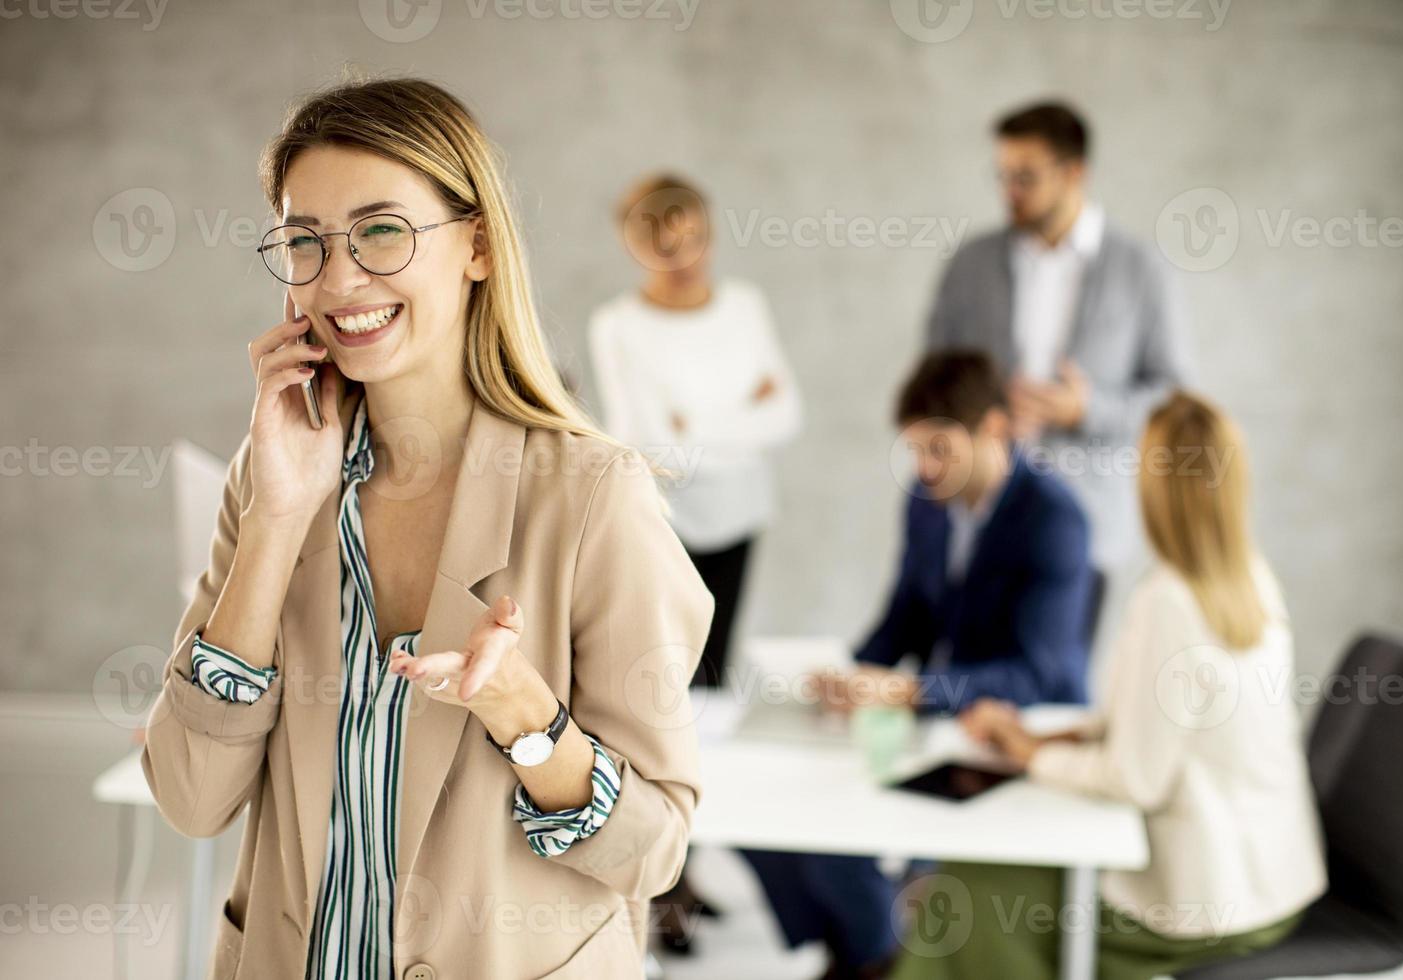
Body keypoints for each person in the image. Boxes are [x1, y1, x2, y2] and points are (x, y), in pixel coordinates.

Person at [141, 77, 714, 980]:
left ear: (478, 245)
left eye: (381, 231)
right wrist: (276, 522)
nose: (338, 280)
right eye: (304, 242)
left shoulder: (594, 494)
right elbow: (189, 798)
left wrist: (525, 715)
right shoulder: (272, 476)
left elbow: (653, 853)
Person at [891, 391, 1327, 980]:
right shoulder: (1247, 576)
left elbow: (1135, 781)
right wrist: (1050, 740)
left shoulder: (1168, 601)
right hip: (1273, 883)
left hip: (1204, 905)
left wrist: (1030, 758)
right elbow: (1174, 726)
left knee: (975, 887)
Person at [741, 349, 1094, 980]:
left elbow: (1035, 673)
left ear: (994, 428)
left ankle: (873, 955)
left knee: (855, 843)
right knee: (779, 819)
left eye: (939, 449)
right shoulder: (928, 503)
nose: (923, 468)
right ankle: (869, 954)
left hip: (1016, 736)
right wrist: (846, 676)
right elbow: (907, 614)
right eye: (914, 451)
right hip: (936, 717)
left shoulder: (1055, 520)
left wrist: (909, 690)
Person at [588, 172, 803, 955]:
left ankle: (685, 868)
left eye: (693, 240)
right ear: (634, 244)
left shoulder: (743, 307)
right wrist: (734, 414)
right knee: (659, 699)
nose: (681, 259)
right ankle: (657, 885)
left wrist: (696, 422)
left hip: (741, 519)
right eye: (660, 243)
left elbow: (787, 413)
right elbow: (647, 442)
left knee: (710, 698)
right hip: (667, 523)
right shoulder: (619, 325)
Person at [925, 100, 1189, 576]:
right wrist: (981, 411)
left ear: (1074, 173)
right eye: (1002, 175)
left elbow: (1173, 401)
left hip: (1087, 527)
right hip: (975, 521)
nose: (1009, 191)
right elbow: (931, 379)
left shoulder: (1138, 269)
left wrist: (1085, 410)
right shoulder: (970, 265)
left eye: (1025, 177)